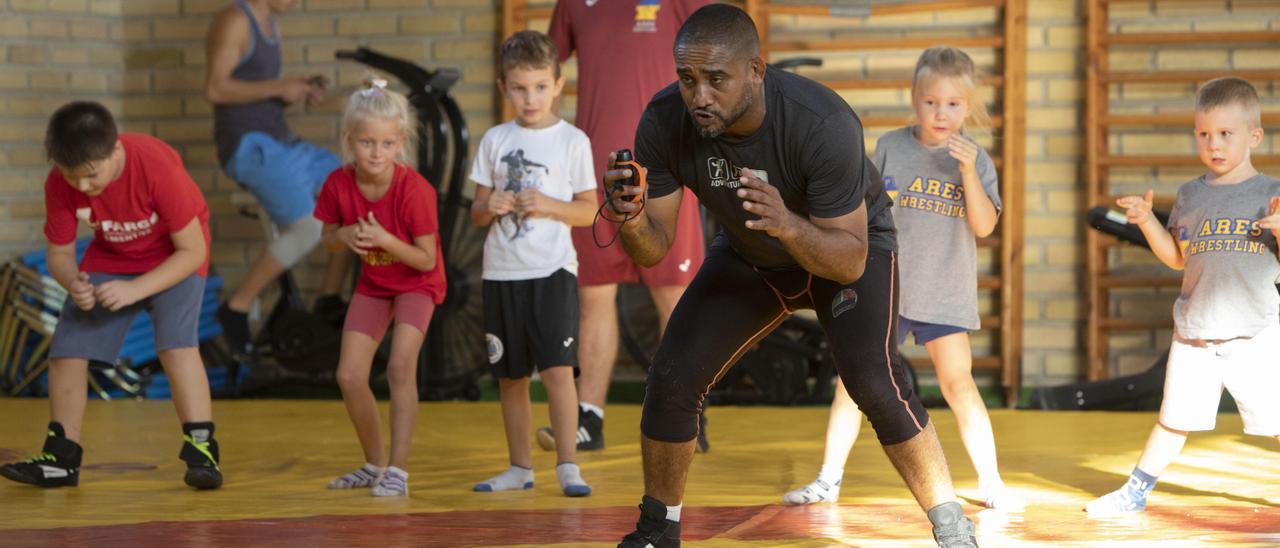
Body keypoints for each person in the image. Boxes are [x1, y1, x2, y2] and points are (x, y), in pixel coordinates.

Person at [610, 6, 977, 547]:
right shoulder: (666, 120)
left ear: (756, 71)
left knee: (874, 382)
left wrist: (787, 224)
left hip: (848, 249)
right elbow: (651, 250)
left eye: (716, 79)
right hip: (751, 251)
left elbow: (849, 260)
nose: (699, 96)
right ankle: (657, 528)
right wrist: (631, 216)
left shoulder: (820, 121)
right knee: (671, 375)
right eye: (687, 79)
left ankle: (953, 527)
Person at [783, 46, 1022, 511]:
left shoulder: (977, 158)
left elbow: (985, 225)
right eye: (930, 101)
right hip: (886, 287)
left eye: (953, 104)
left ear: (968, 106)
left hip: (944, 290)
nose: (940, 112)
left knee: (959, 384)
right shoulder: (891, 145)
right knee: (852, 384)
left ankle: (992, 481)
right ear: (914, 97)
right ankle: (828, 479)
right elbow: (866, 209)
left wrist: (969, 172)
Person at [0, 102, 222, 490]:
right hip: (114, 255)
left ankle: (201, 449)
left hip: (177, 256)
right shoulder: (60, 184)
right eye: (71, 177)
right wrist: (74, 283)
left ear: (115, 151)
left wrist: (136, 288)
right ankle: (61, 457)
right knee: (68, 351)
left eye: (91, 175)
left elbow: (193, 252)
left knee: (176, 346)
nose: (83, 187)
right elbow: (60, 255)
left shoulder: (156, 167)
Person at [1086, 77, 1279, 516]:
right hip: (1194, 332)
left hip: (1254, 333)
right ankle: (1134, 492)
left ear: (1254, 136)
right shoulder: (1192, 194)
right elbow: (1178, 258)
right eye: (1204, 133)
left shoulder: (1271, 194)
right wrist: (1147, 223)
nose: (1213, 144)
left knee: (1276, 423)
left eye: (1225, 134)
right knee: (1172, 421)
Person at [536, 0, 709, 453]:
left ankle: (686, 412)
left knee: (674, 293)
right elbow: (542, 65)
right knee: (593, 294)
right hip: (594, 171)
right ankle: (587, 419)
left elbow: (717, 48)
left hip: (666, 166)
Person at [469, 31, 597, 498]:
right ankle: (520, 467)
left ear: (559, 84)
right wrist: (493, 206)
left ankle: (568, 464)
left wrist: (548, 204)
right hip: (501, 272)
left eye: (540, 87)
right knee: (510, 376)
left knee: (559, 370)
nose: (530, 98)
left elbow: (588, 210)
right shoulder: (495, 140)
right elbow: (476, 211)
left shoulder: (572, 142)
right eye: (520, 88)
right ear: (504, 88)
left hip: (552, 271)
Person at [313, 80, 445, 497]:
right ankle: (374, 463)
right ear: (349, 141)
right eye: (367, 142)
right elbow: (328, 237)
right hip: (375, 284)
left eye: (387, 144)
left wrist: (385, 240)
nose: (376, 152)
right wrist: (347, 235)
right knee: (349, 375)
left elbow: (426, 259)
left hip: (417, 283)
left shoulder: (414, 190)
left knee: (400, 367)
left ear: (400, 142)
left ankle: (398, 471)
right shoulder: (338, 183)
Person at [205, 0, 350, 360]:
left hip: (283, 141)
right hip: (249, 146)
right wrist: (279, 86)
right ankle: (236, 308)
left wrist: (296, 90)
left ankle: (327, 299)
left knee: (354, 192)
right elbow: (217, 89)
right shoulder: (236, 20)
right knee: (308, 227)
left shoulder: (269, 24)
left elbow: (256, 89)